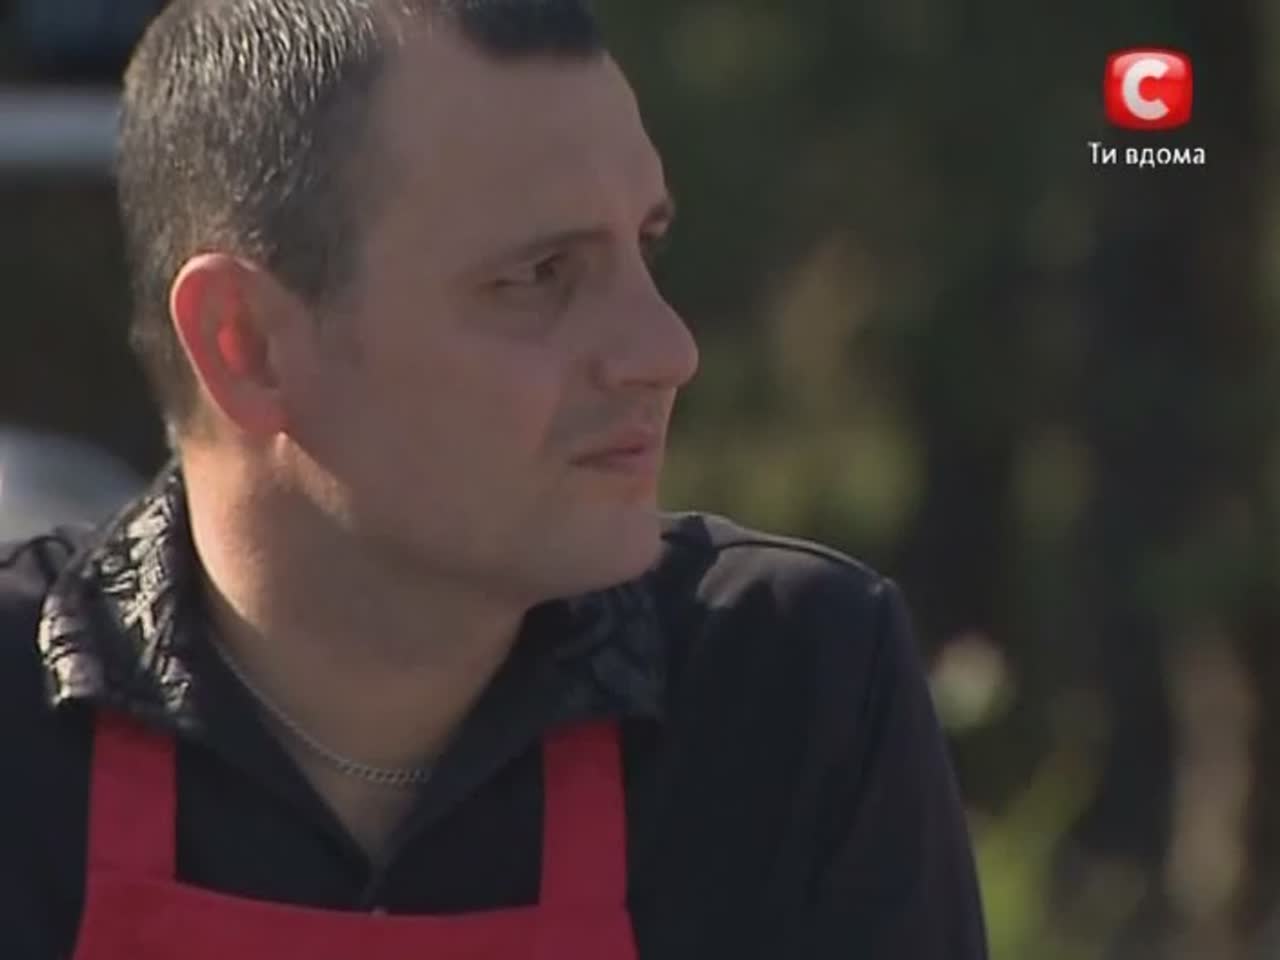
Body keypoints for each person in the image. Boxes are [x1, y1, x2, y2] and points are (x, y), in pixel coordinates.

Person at [0, 1, 989, 957]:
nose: (665, 351)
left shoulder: (781, 689)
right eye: (540, 276)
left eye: (645, 247)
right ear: (246, 344)